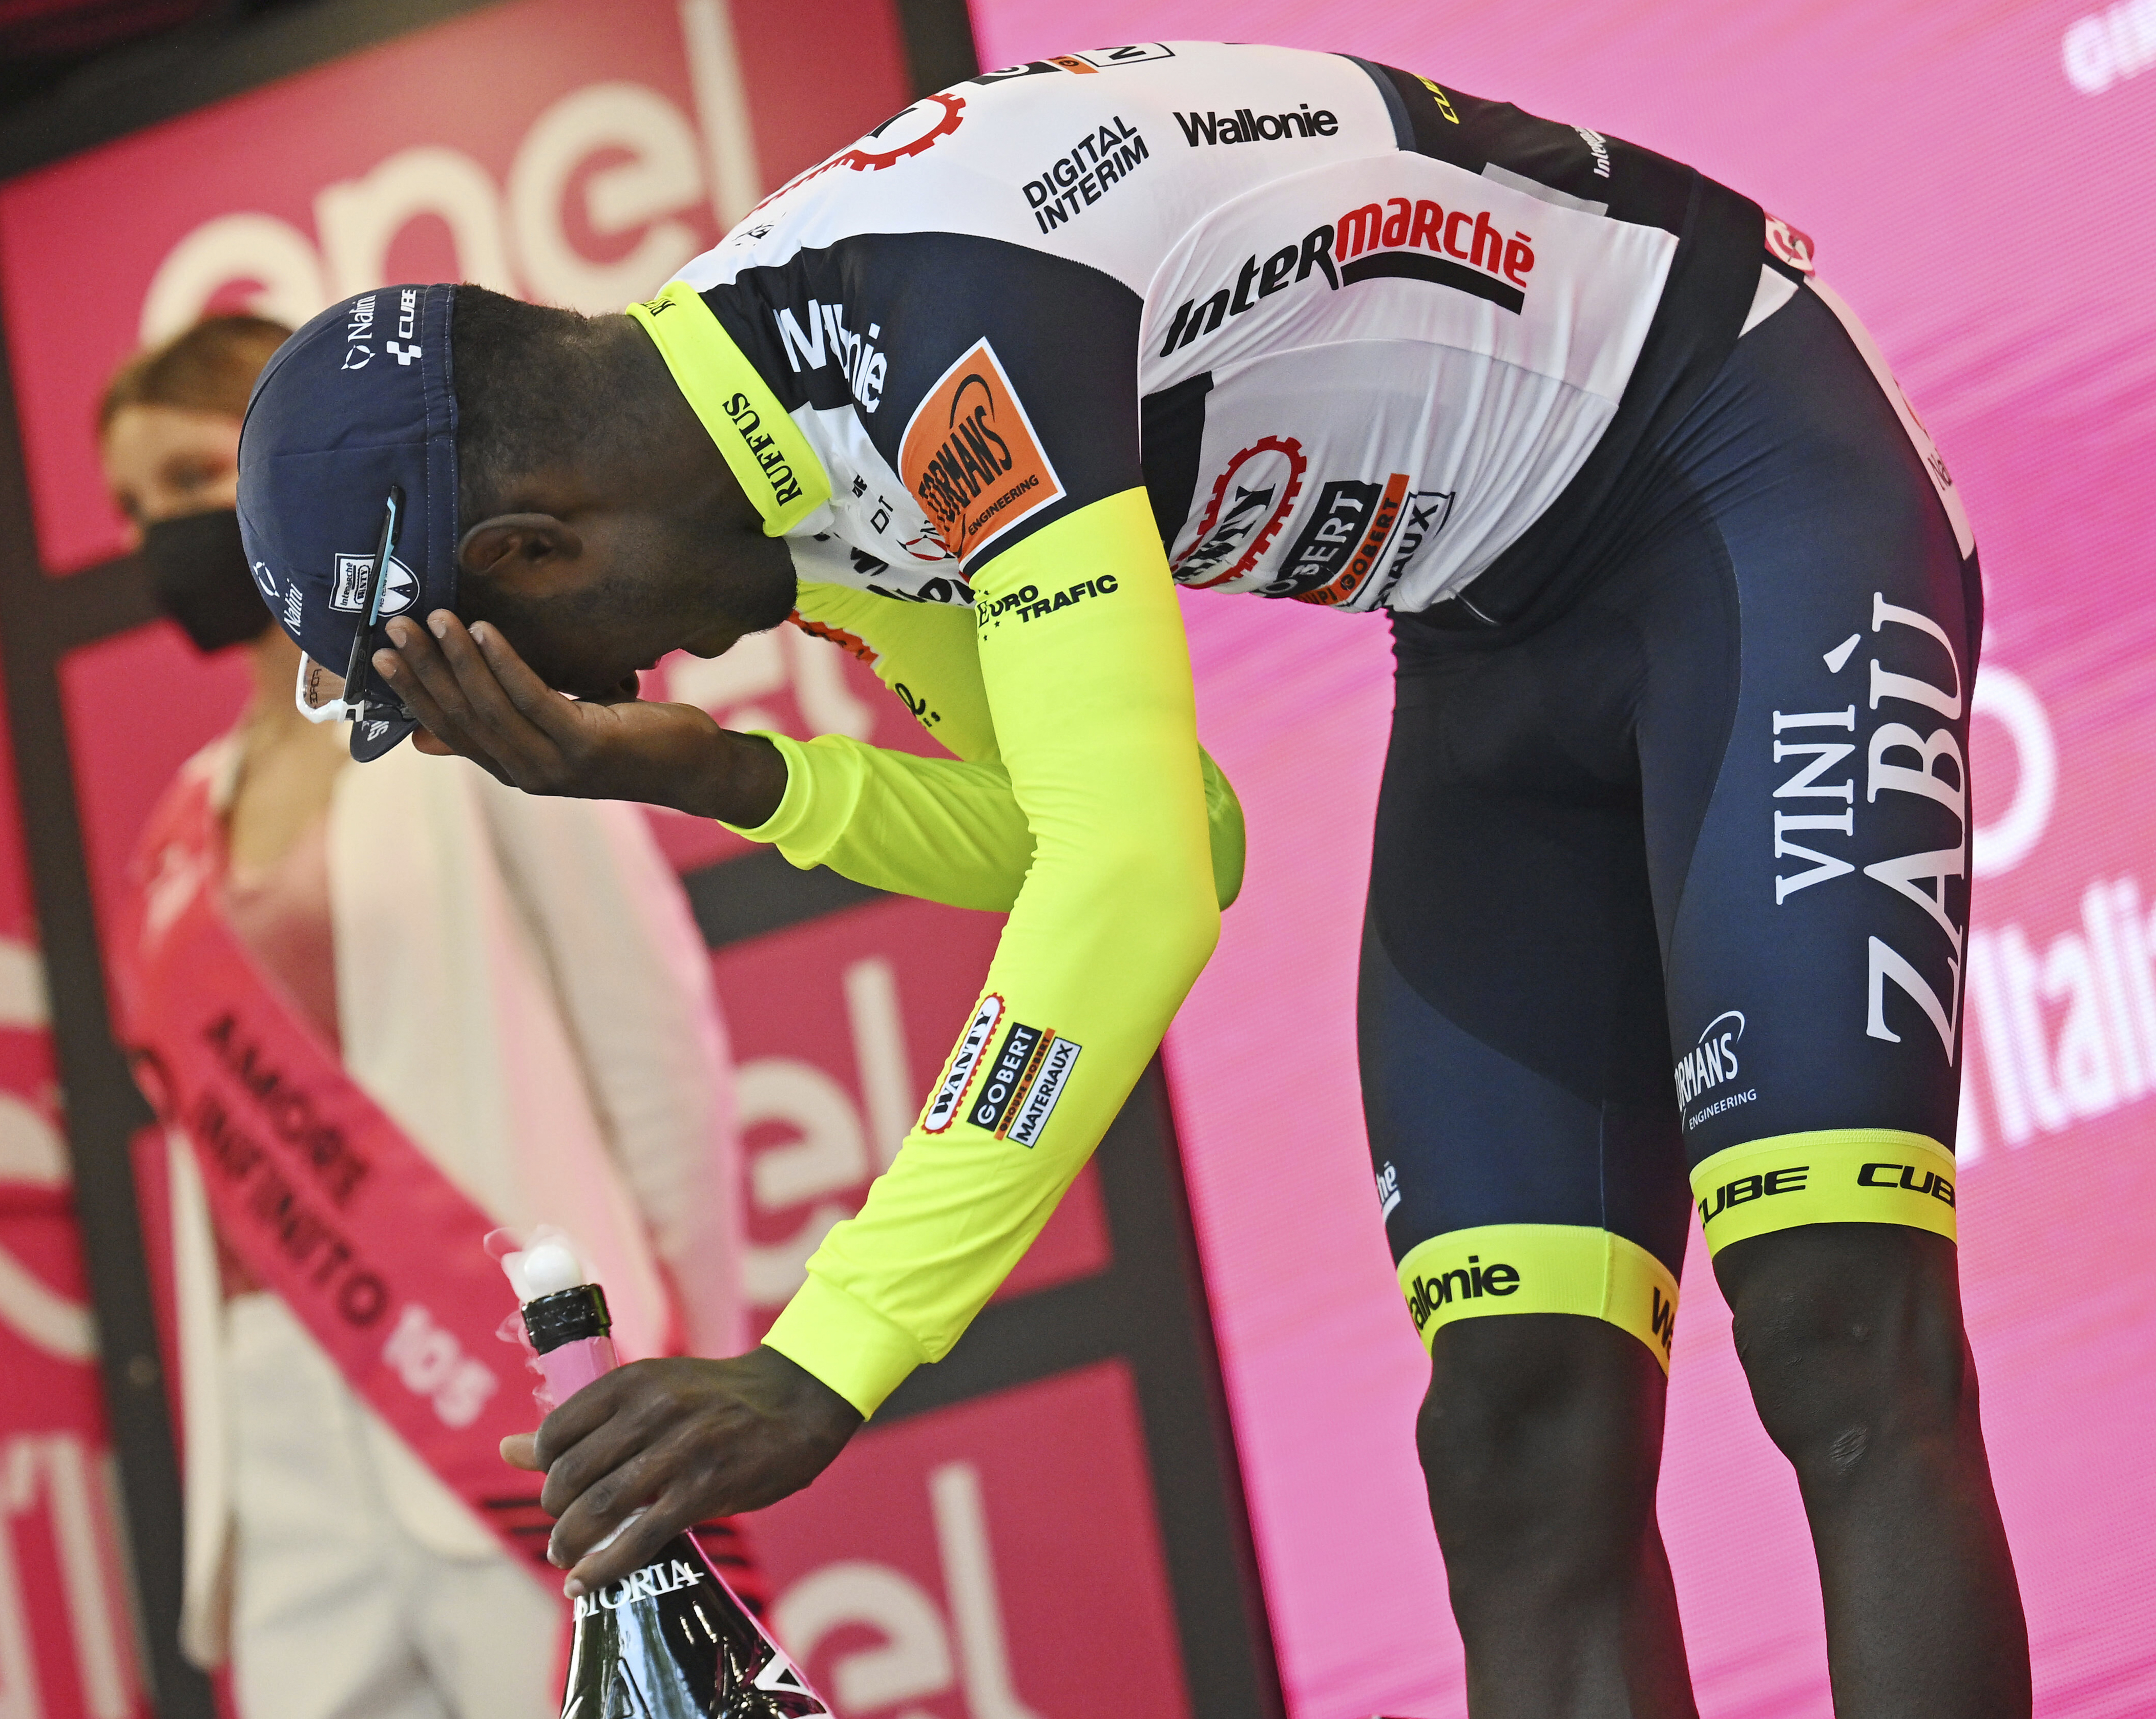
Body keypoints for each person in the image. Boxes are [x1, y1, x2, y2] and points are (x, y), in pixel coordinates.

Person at [233, 43, 2027, 1718]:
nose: (595, 695)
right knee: (1512, 1429)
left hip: (1749, 480)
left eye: (537, 664)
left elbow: (1139, 875)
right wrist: (723, 772)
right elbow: (1171, 824)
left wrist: (825, 1357)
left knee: (1830, 1311)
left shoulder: (933, 342)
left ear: (532, 546)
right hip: (1492, 647)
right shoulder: (784, 460)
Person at [98, 317, 746, 1719]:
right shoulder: (172, 841)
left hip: (515, 1395)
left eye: (192, 480)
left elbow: (651, 1040)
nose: (168, 536)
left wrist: (689, 1356)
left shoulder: (475, 705)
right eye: (137, 509)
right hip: (283, 1445)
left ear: (286, 465)